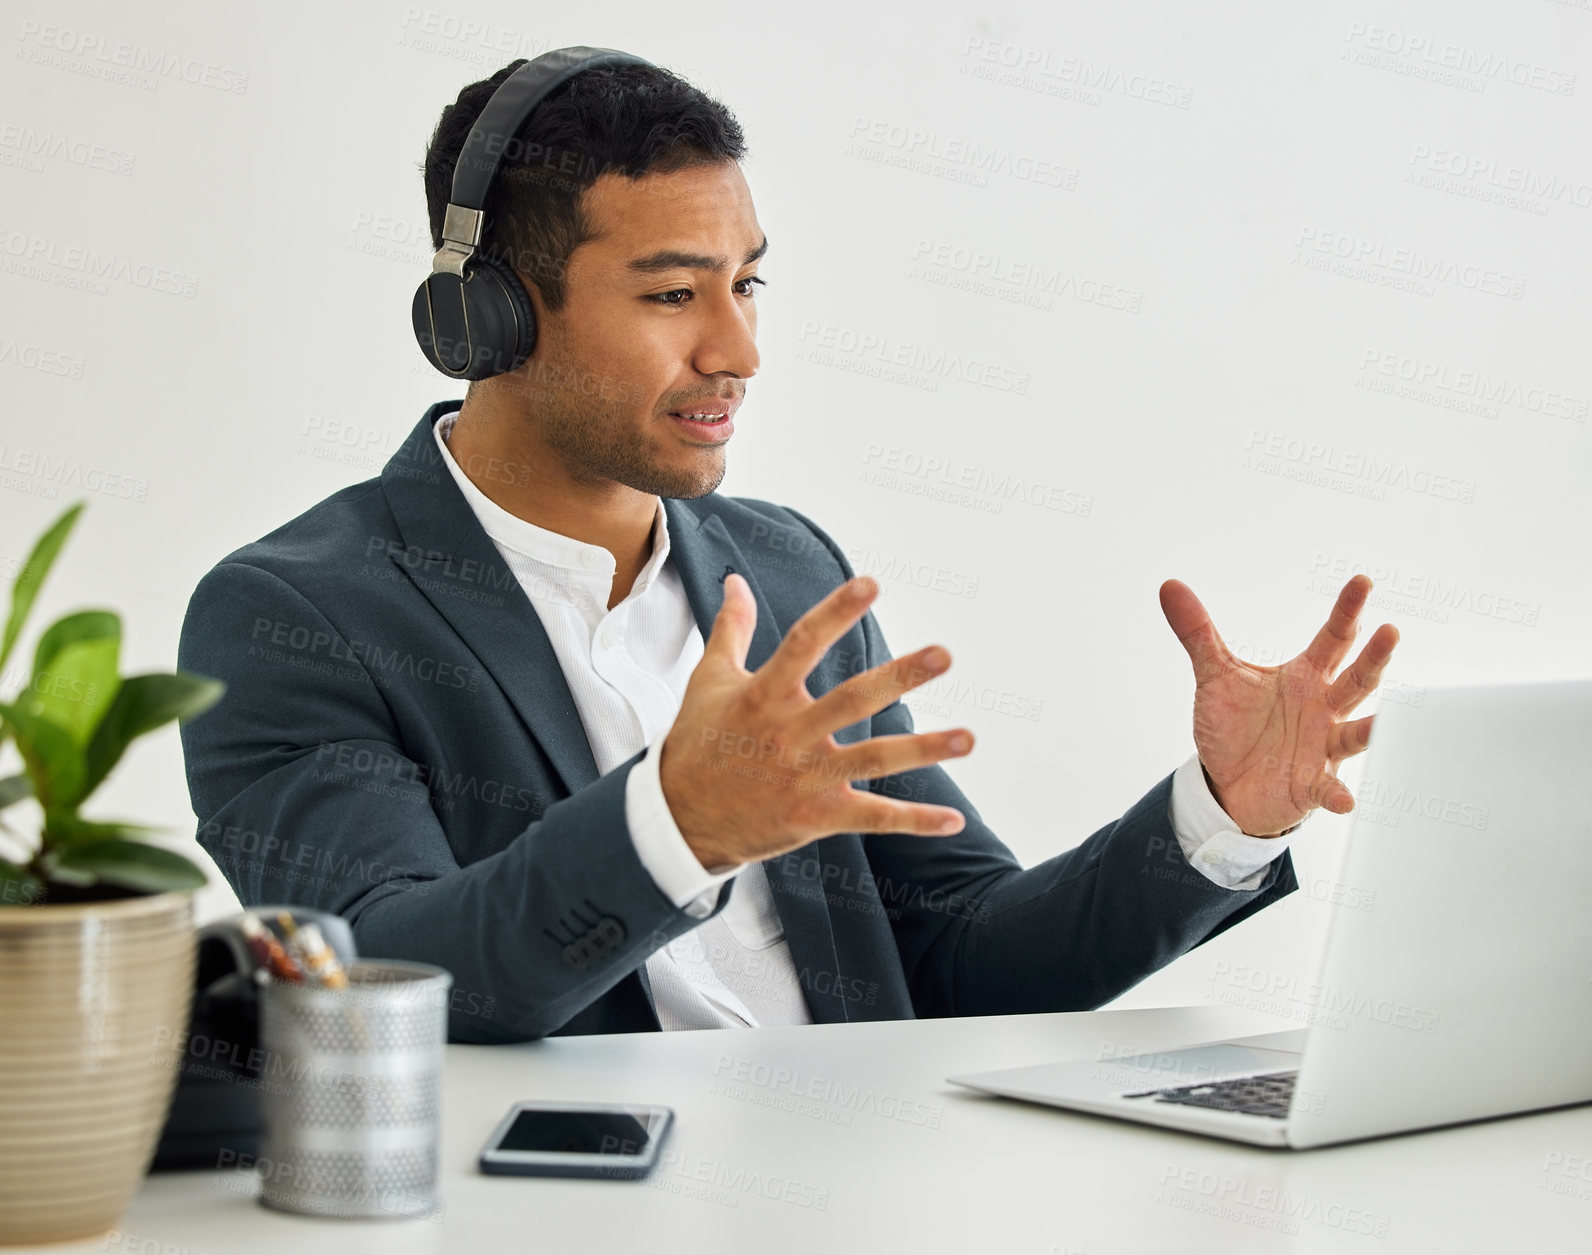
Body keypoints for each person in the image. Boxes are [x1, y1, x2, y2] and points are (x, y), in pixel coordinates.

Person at [176, 55, 1399, 1043]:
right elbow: (400, 984)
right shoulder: (293, 617)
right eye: (671, 296)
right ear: (485, 312)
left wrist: (1219, 817)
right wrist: (674, 823)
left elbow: (961, 963)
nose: (737, 352)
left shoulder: (785, 572)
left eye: (747, 284)